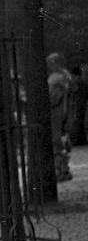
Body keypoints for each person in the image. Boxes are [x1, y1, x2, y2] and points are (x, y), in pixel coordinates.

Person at [48, 53, 72, 182]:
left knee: (57, 143)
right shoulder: (65, 76)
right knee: (62, 141)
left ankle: (62, 171)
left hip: (56, 114)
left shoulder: (56, 79)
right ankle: (64, 169)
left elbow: (53, 98)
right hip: (64, 112)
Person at [70, 65, 87, 147]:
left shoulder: (77, 84)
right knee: (80, 122)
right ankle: (80, 139)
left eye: (73, 76)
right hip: (81, 105)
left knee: (77, 122)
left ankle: (77, 140)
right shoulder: (83, 83)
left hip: (77, 105)